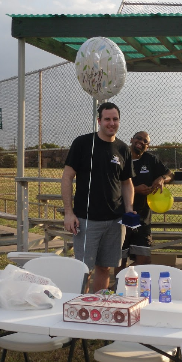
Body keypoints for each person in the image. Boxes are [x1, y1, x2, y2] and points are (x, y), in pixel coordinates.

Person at [61, 102, 135, 293]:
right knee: (84, 270)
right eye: (107, 119)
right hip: (87, 220)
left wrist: (129, 210)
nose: (111, 123)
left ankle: (98, 308)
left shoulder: (123, 148)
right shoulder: (83, 143)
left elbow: (126, 182)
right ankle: (79, 310)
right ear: (99, 121)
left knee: (105, 267)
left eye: (115, 119)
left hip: (115, 221)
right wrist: (69, 213)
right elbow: (67, 177)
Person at [116, 131, 173, 274]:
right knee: (119, 259)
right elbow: (113, 185)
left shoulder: (150, 160)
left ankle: (127, 279)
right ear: (131, 139)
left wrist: (161, 178)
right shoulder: (120, 158)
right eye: (138, 138)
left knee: (145, 261)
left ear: (148, 146)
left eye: (145, 141)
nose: (141, 141)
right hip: (121, 214)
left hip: (142, 217)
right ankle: (118, 288)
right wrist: (136, 190)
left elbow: (170, 174)